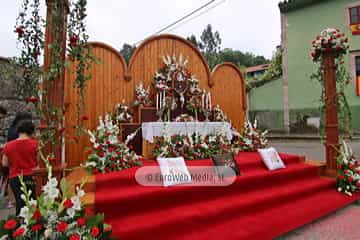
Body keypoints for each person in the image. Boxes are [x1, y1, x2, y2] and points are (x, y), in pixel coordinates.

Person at [2, 120, 38, 215]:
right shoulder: (35, 144)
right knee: (33, 203)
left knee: (20, 203)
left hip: (15, 177)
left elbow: (4, 163)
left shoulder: (8, 145)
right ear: (31, 131)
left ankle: (20, 226)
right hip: (31, 176)